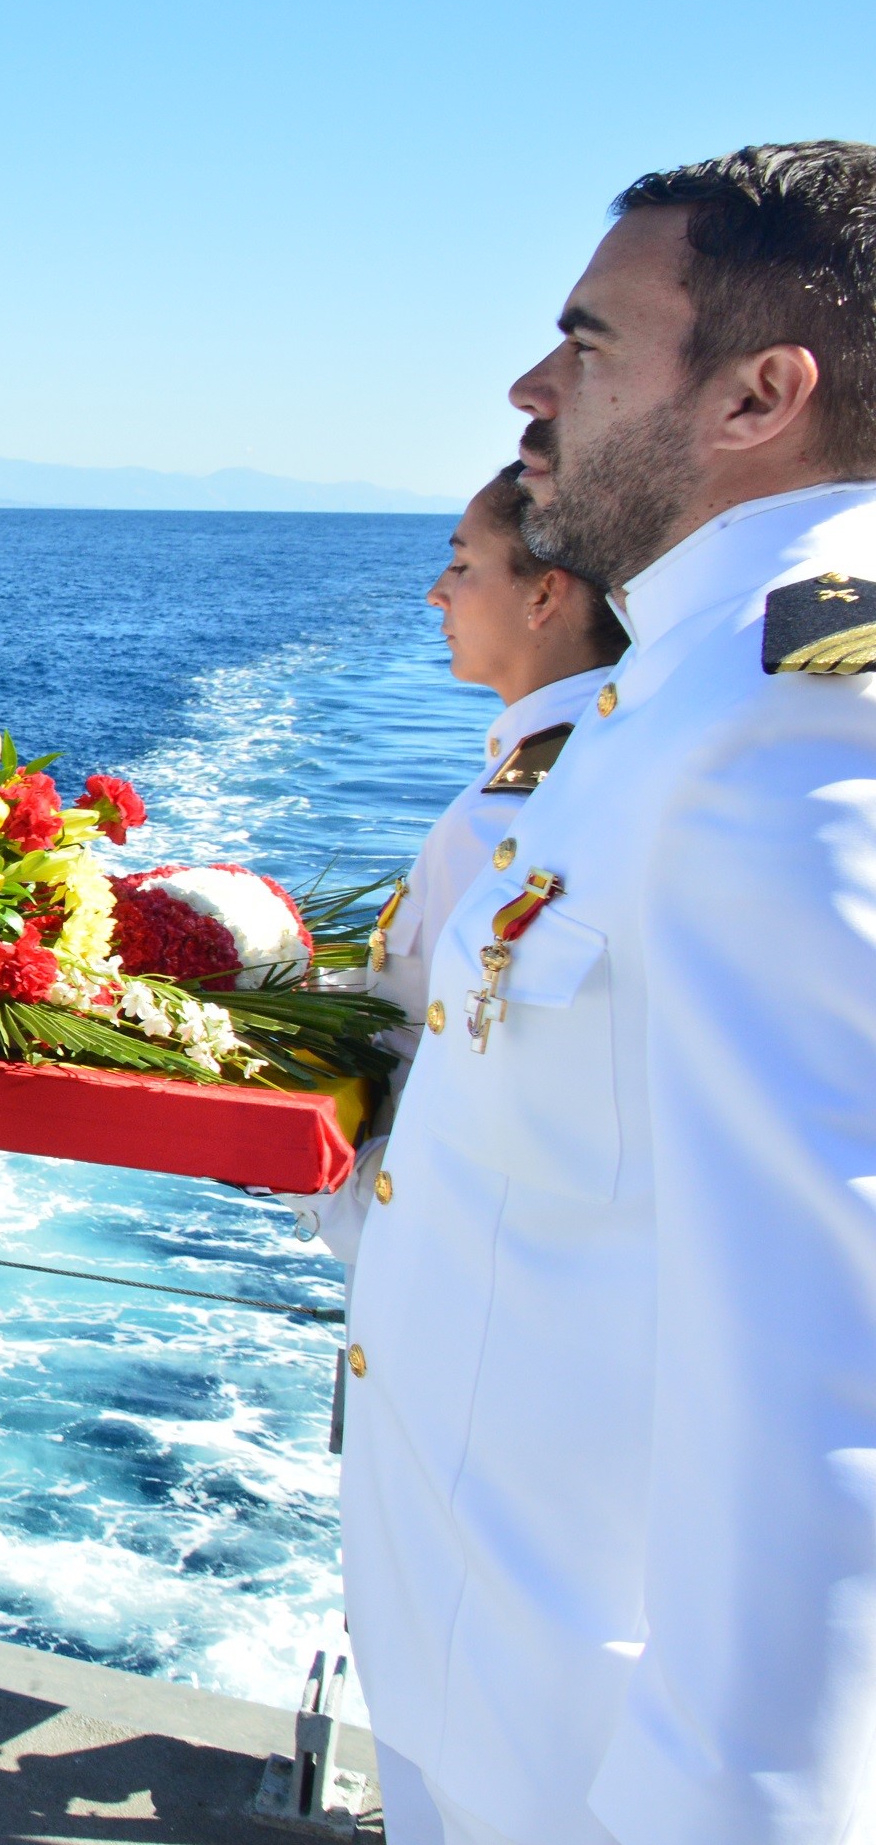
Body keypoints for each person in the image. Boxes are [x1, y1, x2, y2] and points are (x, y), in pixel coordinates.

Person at [341, 142, 876, 1845]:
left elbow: (837, 1389)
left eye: (582, 342)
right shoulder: (669, 708)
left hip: (607, 1756)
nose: (525, 386)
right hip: (472, 1662)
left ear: (755, 397)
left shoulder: (790, 730)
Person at [315, 462, 623, 1266]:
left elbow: (463, 1096)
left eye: (461, 564)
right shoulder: (583, 759)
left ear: (545, 596)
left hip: (445, 1266)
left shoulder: (509, 819)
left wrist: (309, 1175)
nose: (435, 593)